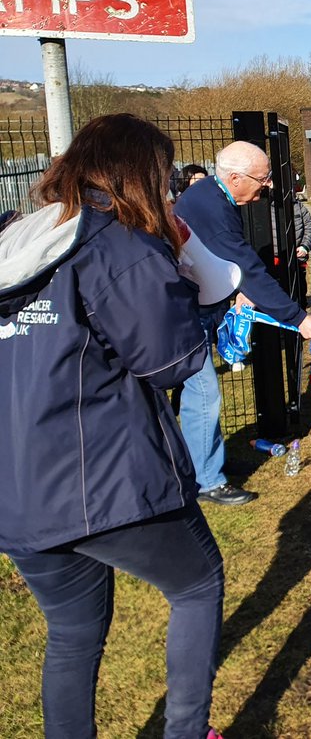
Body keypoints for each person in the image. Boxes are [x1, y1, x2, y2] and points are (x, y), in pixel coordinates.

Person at [0, 114, 226, 739]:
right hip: (101, 479)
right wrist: (189, 291)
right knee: (198, 584)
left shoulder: (22, 237)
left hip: (18, 488)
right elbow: (171, 362)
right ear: (142, 173)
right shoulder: (118, 243)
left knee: (72, 634)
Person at [174, 140, 311, 505]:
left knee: (193, 394)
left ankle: (204, 465)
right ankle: (207, 481)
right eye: (262, 178)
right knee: (203, 393)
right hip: (185, 314)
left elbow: (224, 261)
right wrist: (297, 317)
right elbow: (248, 267)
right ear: (235, 177)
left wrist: (233, 288)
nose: (267, 185)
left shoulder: (215, 198)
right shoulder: (211, 206)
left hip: (199, 304)